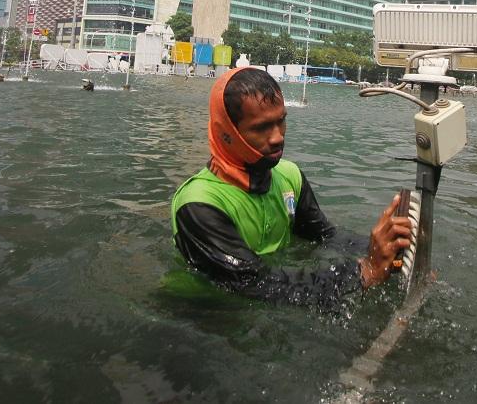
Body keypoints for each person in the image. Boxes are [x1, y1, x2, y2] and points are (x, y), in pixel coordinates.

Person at [170, 67, 411, 307]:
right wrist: (363, 272)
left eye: (281, 121)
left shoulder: (289, 176)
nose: (277, 137)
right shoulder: (199, 205)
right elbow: (253, 282)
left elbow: (326, 236)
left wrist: (385, 249)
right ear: (226, 134)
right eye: (261, 127)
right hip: (201, 313)